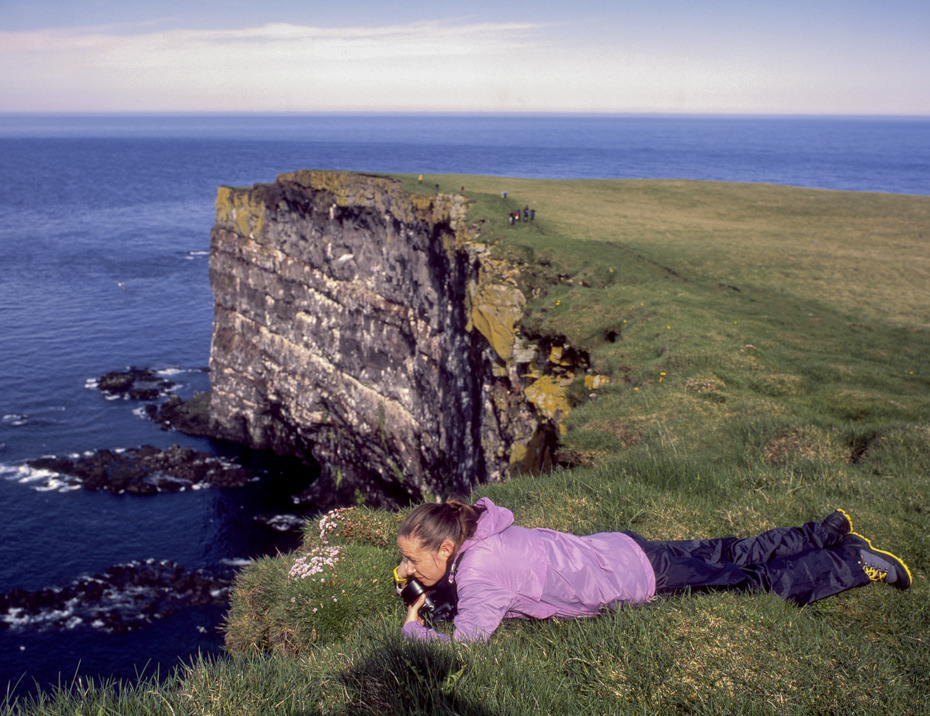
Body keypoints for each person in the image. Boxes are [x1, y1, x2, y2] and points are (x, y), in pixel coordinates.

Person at [394, 497, 912, 643]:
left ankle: (853, 563)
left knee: (756, 586)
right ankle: (824, 532)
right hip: (621, 547)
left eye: (412, 559)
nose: (403, 569)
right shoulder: (485, 525)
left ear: (445, 550)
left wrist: (413, 628)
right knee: (729, 551)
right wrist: (435, 586)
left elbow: (468, 643)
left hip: (639, 580)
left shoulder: (479, 571)